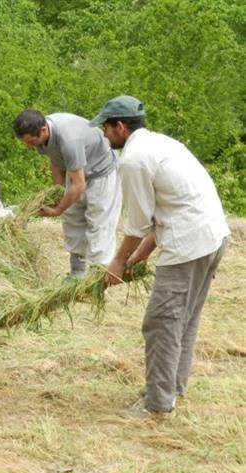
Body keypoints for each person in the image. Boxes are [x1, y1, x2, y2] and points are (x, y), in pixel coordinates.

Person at [91, 95, 230, 417]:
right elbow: (168, 205)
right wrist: (142, 253)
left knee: (160, 322)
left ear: (120, 126)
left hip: (189, 245)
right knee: (183, 320)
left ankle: (157, 404)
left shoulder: (133, 159)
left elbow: (138, 223)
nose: (104, 135)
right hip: (213, 237)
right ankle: (171, 389)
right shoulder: (161, 144)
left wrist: (118, 262)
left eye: (106, 128)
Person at [13, 109, 122, 277]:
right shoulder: (42, 135)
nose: (29, 146)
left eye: (31, 142)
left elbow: (78, 185)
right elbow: (56, 160)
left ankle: (98, 278)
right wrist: (57, 192)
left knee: (99, 224)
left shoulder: (68, 139)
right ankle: (77, 273)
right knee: (72, 219)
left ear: (43, 130)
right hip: (77, 171)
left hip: (101, 172)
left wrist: (57, 210)